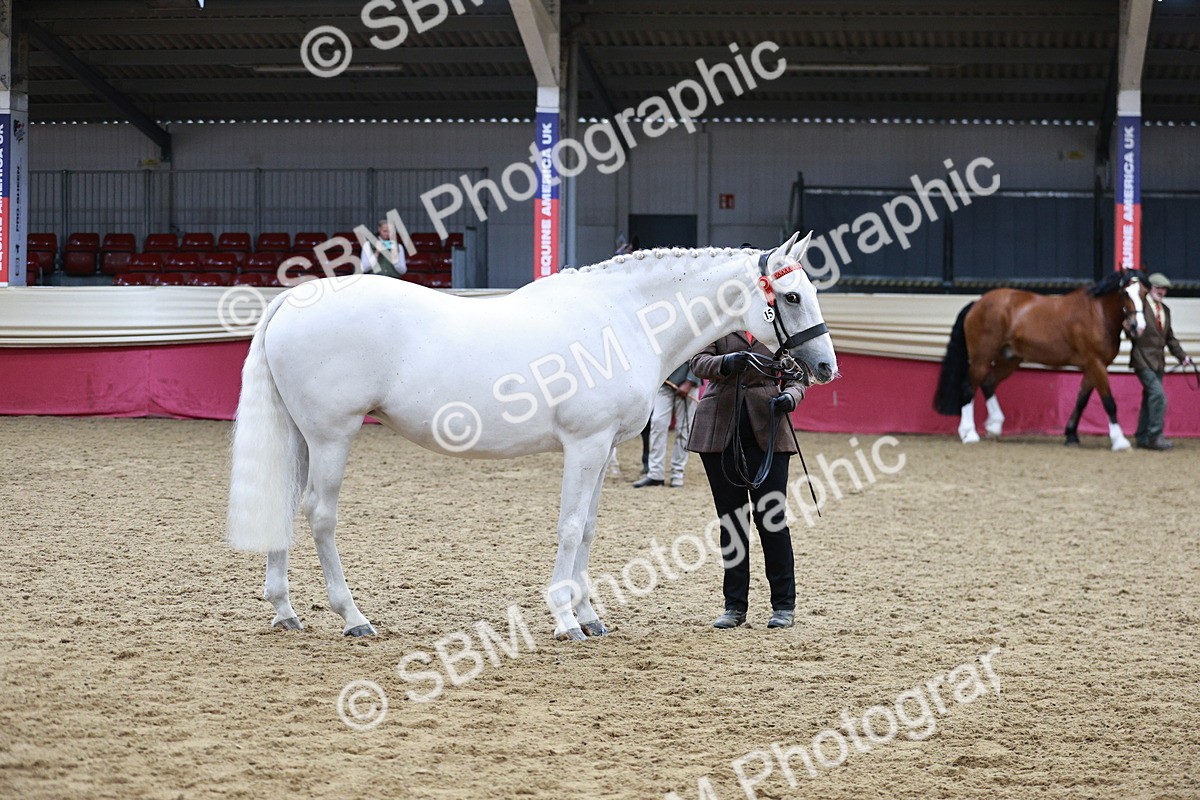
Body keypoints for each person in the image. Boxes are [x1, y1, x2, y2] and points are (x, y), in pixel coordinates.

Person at [687, 332, 806, 629]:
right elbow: (697, 362)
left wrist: (790, 397)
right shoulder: (719, 324)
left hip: (769, 427)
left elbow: (799, 374)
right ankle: (735, 606)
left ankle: (783, 605)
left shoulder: (776, 328)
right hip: (719, 428)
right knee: (732, 521)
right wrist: (726, 362)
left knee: (772, 519)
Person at [1131, 272, 1192, 450]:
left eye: (1164, 289)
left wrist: (1182, 356)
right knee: (1158, 396)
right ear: (1150, 288)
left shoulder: (1165, 311)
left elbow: (1170, 338)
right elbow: (1131, 330)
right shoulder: (1140, 307)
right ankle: (1155, 436)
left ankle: (1142, 436)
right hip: (1142, 360)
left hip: (1158, 362)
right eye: (1158, 288)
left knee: (1149, 398)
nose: (1162, 292)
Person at [633, 363, 699, 488]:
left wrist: (690, 381)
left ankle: (677, 474)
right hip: (664, 381)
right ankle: (655, 474)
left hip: (687, 380)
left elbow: (699, 351)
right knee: (657, 424)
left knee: (684, 430)